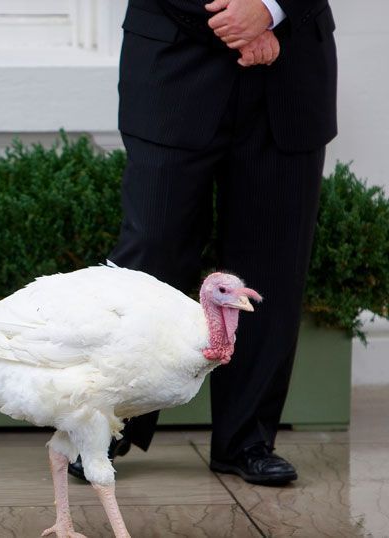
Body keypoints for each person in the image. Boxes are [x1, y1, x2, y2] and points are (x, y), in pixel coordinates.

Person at [69, 0, 337, 486]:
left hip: (290, 68)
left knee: (268, 267)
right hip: (173, 69)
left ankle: (247, 440)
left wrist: (271, 10)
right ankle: (105, 427)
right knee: (149, 259)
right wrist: (241, 22)